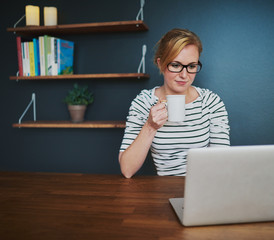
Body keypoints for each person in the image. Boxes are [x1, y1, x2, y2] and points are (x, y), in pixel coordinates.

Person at [119, 28, 230, 178]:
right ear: (160, 64)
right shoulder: (143, 103)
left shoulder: (211, 103)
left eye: (191, 66)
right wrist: (150, 126)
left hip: (204, 187)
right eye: (176, 65)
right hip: (164, 190)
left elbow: (222, 162)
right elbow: (127, 169)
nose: (184, 75)